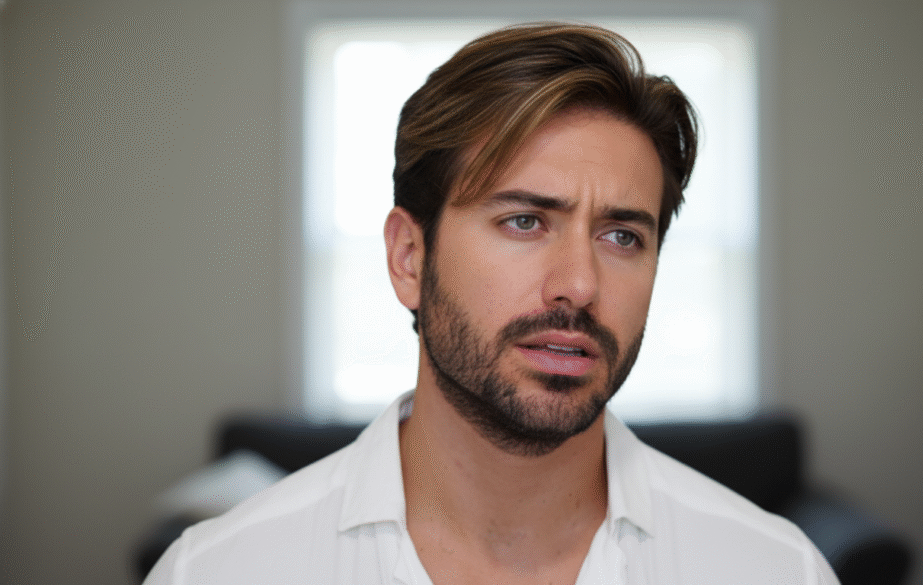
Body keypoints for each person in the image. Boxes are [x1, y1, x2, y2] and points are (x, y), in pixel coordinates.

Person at [145, 22, 840, 585]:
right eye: (524, 221)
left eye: (622, 236)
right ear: (409, 258)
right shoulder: (218, 572)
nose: (580, 284)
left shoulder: (776, 571)